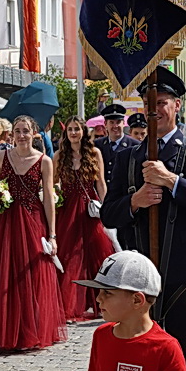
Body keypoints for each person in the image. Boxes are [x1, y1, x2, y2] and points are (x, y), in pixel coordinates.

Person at [100, 70, 186, 371]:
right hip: (138, 271)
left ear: (177, 105)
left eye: (161, 102)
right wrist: (134, 201)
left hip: (184, 269)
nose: (153, 109)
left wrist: (172, 181)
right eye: (148, 103)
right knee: (138, 352)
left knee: (182, 356)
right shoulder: (128, 156)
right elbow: (108, 213)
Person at [0, 115, 66, 351]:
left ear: (34, 134)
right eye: (17, 131)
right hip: (6, 222)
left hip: (33, 222)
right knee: (4, 273)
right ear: (12, 134)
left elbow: (48, 198)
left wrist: (52, 234)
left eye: (25, 131)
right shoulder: (1, 157)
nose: (21, 135)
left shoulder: (44, 161)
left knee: (30, 274)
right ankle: (4, 330)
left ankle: (31, 329)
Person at [55, 117, 115, 322]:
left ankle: (101, 301)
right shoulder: (59, 155)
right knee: (70, 255)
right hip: (67, 210)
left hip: (88, 209)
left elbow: (101, 183)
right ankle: (71, 305)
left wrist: (106, 209)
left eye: (77, 129)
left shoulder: (94, 153)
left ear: (83, 132)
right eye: (70, 129)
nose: (73, 133)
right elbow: (53, 184)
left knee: (94, 252)